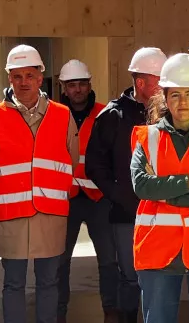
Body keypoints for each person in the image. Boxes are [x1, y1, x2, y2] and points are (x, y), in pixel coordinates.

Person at [0, 45, 79, 323]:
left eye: (30, 75)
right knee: (13, 284)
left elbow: (70, 158)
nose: (24, 82)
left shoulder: (62, 115)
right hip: (12, 216)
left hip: (50, 215)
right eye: (17, 76)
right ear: (9, 78)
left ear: (40, 78)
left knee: (49, 283)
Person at [131, 54, 189, 323]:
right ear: (165, 97)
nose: (183, 103)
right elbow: (142, 186)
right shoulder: (148, 138)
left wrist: (166, 189)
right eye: (175, 95)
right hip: (158, 249)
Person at [88, 47, 168, 323]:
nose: (164, 87)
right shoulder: (113, 116)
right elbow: (95, 164)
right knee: (130, 277)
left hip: (163, 211)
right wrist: (117, 194)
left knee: (158, 278)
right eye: (159, 80)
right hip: (126, 213)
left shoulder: (170, 115)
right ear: (141, 82)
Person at [54, 59, 120, 323]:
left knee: (108, 261)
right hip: (66, 198)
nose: (78, 90)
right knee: (59, 262)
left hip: (98, 198)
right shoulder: (54, 115)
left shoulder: (106, 114)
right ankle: (58, 311)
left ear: (89, 84)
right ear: (64, 87)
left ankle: (111, 310)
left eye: (82, 84)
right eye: (72, 85)